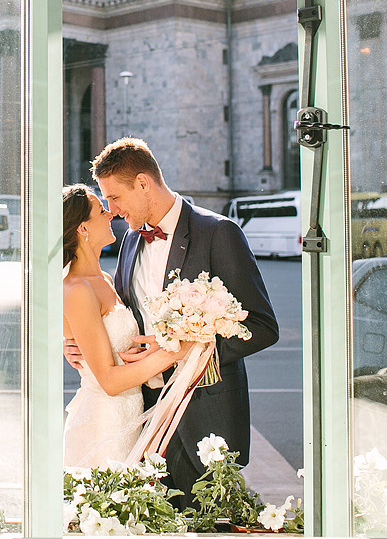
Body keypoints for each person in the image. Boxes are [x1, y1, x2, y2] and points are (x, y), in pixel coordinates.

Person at [68, 137, 279, 505]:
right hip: (141, 416)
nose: (113, 211)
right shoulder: (131, 242)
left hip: (207, 412)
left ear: (144, 183)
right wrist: (80, 345)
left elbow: (262, 326)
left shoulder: (218, 233)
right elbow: (124, 318)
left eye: (115, 198)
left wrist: (191, 351)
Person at [61, 184, 189, 468]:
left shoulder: (104, 280)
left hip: (131, 414)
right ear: (82, 229)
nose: (111, 215)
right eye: (101, 210)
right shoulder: (77, 289)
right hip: (105, 423)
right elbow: (109, 381)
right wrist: (177, 350)